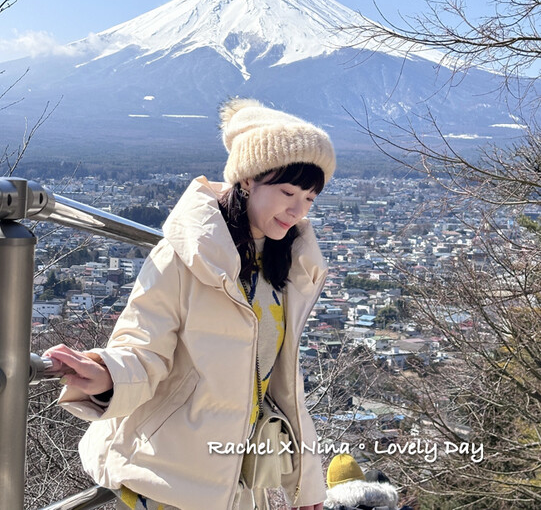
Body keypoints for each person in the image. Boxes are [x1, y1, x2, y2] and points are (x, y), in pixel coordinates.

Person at [44, 98, 336, 510]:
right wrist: (106, 372)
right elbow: (143, 345)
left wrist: (307, 487)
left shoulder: (286, 266)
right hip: (165, 474)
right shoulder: (184, 256)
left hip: (234, 480)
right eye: (288, 191)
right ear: (248, 180)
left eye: (309, 198)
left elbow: (283, 387)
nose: (298, 209)